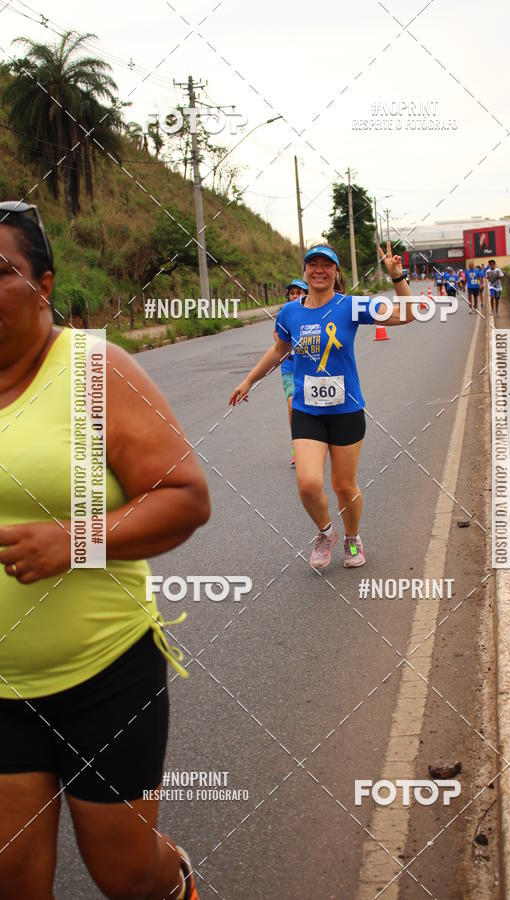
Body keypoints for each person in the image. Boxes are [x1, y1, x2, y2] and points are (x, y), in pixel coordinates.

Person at [0, 202, 210, 900]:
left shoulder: (95, 370)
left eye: (1, 271)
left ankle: (173, 877)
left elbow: (185, 495)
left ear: (45, 285)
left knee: (124, 873)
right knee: (12, 876)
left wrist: (73, 540)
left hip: (104, 672)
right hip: (1, 686)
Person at [229, 242, 415, 570]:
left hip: (346, 411)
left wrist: (398, 277)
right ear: (304, 271)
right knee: (308, 483)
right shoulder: (290, 312)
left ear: (335, 272)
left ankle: (352, 538)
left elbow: (408, 314)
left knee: (344, 486)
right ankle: (325, 532)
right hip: (307, 410)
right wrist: (249, 381)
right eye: (312, 264)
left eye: (326, 265)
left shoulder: (351, 306)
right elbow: (279, 350)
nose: (319, 270)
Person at [277, 278, 308, 467]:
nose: (295, 295)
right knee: (291, 405)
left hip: (309, 367)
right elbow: (277, 338)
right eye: (292, 293)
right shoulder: (285, 314)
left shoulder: (313, 313)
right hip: (289, 366)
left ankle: (315, 440)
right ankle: (297, 446)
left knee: (310, 405)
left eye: (300, 292)